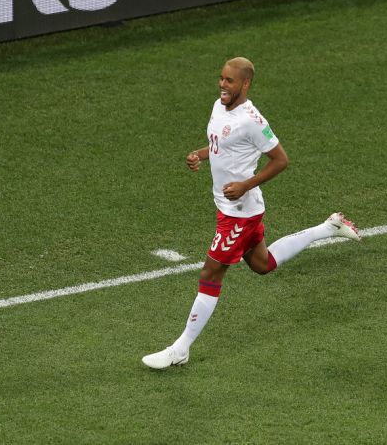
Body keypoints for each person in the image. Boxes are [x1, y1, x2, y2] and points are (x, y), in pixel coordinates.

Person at [142, 57, 360, 369]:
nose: (222, 85)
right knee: (262, 264)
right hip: (231, 208)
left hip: (239, 214)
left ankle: (181, 348)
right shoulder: (219, 107)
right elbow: (221, 145)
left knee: (210, 274)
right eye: (221, 78)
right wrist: (201, 155)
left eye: (229, 81)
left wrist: (246, 184)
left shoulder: (253, 121)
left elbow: (280, 160)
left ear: (245, 84)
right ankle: (329, 227)